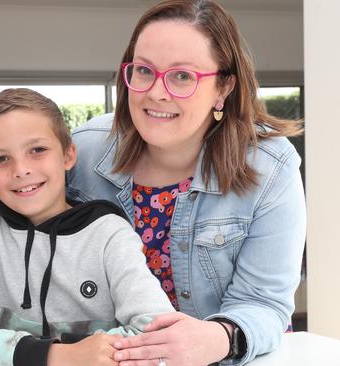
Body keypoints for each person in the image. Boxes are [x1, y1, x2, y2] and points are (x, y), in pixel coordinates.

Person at [67, 1, 306, 365]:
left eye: (182, 76)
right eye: (144, 70)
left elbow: (265, 303)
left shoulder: (270, 165)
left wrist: (218, 336)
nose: (157, 93)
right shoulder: (82, 151)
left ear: (224, 87)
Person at [0, 88, 175, 366]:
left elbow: (157, 333)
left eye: (37, 150)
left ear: (68, 155)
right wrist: (60, 356)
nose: (20, 169)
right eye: (1, 158)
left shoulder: (110, 233)